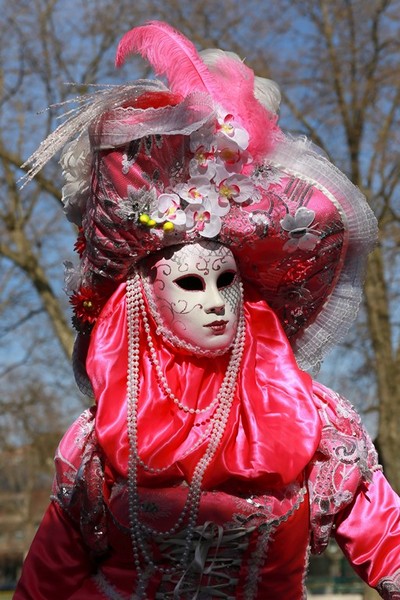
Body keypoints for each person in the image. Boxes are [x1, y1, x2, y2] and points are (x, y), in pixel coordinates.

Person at [14, 20, 400, 600]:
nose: (216, 302)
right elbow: (48, 577)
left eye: (227, 281)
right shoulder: (98, 438)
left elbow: (387, 540)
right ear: (148, 300)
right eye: (192, 283)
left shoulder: (312, 421)